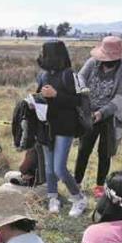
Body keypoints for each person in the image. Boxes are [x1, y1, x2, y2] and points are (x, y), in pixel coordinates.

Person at [74, 36, 122, 199]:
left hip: (109, 117)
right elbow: (79, 78)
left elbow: (120, 98)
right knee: (84, 149)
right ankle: (77, 182)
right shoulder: (93, 62)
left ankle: (100, 185)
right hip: (89, 113)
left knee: (104, 152)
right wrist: (84, 99)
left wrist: (102, 113)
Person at [35, 41, 87, 216]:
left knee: (59, 168)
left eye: (44, 53)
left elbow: (79, 101)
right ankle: (53, 197)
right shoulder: (42, 76)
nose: (41, 56)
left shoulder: (69, 75)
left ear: (53, 55)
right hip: (46, 127)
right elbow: (40, 97)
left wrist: (56, 95)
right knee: (49, 168)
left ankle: (79, 198)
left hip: (65, 128)